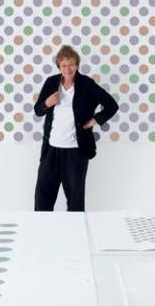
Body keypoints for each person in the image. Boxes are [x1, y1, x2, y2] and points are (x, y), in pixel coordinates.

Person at [33, 45, 118, 212]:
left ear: (77, 64)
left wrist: (94, 121)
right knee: (42, 198)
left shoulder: (87, 84)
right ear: (59, 66)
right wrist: (46, 103)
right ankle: (40, 234)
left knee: (75, 201)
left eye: (71, 64)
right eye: (63, 65)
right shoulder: (51, 82)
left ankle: (76, 236)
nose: (67, 69)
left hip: (76, 152)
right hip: (51, 150)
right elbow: (38, 110)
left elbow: (111, 105)